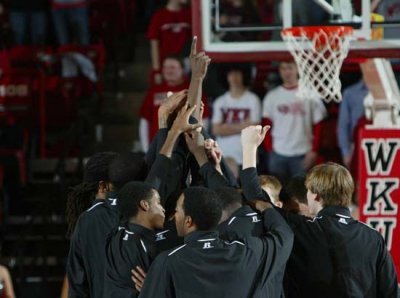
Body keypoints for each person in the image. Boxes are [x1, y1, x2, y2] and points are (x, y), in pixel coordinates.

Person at [239, 133, 399, 297]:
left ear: (315, 195)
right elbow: (391, 293)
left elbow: (256, 197)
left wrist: (249, 148)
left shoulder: (303, 229)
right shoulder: (374, 238)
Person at [139, 169, 293, 296]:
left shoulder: (167, 261)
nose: (174, 215)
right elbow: (284, 236)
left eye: (177, 211)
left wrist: (152, 286)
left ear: (188, 221)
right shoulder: (246, 251)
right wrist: (267, 208)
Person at [262, 60, 326, 184]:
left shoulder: (310, 95)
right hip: (278, 152)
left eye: (290, 68)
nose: (287, 72)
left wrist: (314, 151)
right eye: (283, 68)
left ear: (297, 69)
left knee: (302, 194)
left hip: (303, 152)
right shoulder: (272, 96)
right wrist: (270, 149)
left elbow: (319, 124)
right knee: (278, 195)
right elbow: (266, 124)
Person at [104, 182, 165, 298]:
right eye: (158, 203)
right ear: (144, 205)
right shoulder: (139, 243)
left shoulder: (116, 236)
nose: (163, 209)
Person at [139, 53, 210, 152]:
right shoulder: (154, 91)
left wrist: (198, 146)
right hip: (157, 148)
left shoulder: (193, 90)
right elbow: (145, 121)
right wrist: (146, 149)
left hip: (184, 149)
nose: (168, 70)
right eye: (165, 67)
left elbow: (204, 119)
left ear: (182, 69)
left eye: (172, 67)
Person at [212, 64, 261, 165]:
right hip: (223, 154)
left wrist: (225, 127)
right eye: (231, 74)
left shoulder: (253, 99)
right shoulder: (220, 101)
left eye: (238, 74)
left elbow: (255, 129)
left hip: (247, 155)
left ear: (244, 76)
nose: (234, 77)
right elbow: (216, 130)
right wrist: (244, 125)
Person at [147, 0, 192, 84]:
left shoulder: (190, 14)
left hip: (186, 66)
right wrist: (157, 70)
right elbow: (154, 46)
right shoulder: (159, 16)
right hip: (166, 66)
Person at [337, 79, 368, 170]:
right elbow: (343, 124)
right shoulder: (350, 93)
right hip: (356, 147)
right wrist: (345, 152)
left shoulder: (393, 93)